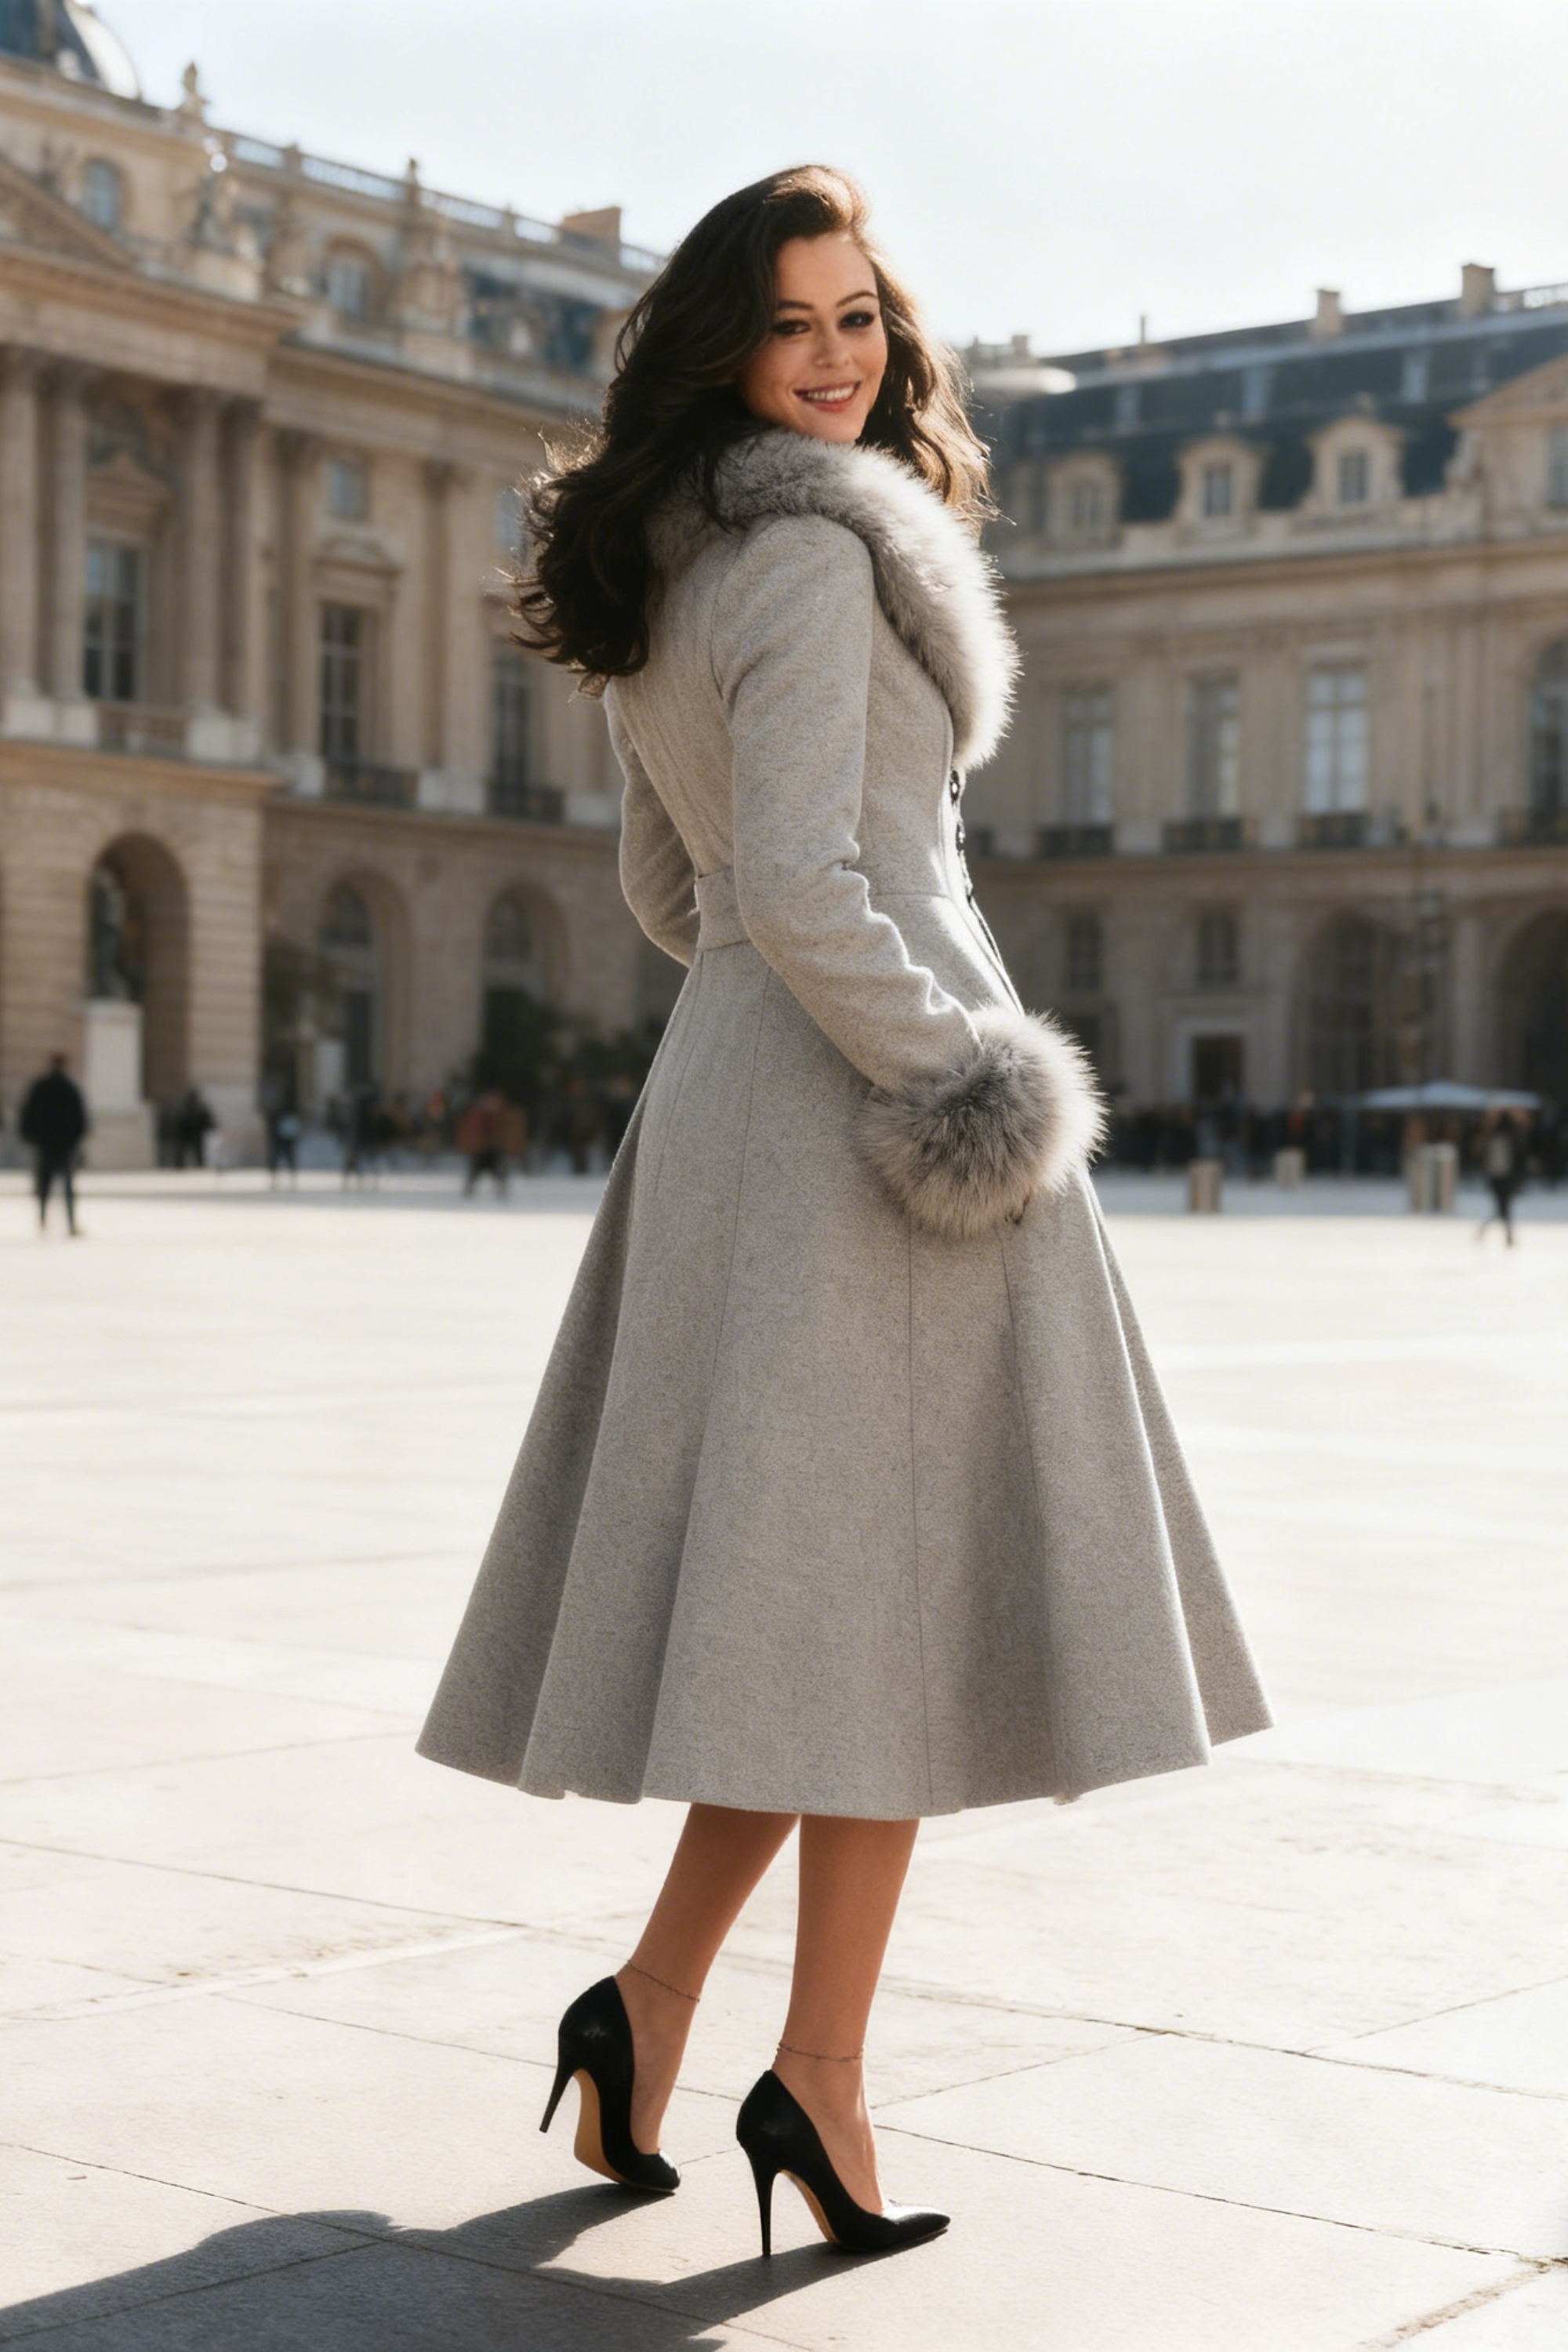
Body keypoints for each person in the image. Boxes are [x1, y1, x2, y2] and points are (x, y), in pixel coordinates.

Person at [416, 166, 1272, 2258]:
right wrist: (958, 1069)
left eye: (857, 315)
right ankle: (818, 2081)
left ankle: (648, 2008)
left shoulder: (671, 563)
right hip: (874, 1112)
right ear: (724, 345)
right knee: (884, 1622)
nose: (833, 355)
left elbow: (676, 892)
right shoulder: (811, 560)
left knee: (806, 1621)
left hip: (741, 1086)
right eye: (790, 321)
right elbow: (805, 886)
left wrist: (764, 998)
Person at [19, 1051, 88, 1236]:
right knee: (67, 1186)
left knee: (44, 1183)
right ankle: (70, 1223)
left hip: (45, 1142)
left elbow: (28, 1113)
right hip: (64, 1144)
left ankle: (43, 1220)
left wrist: (30, 1136)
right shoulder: (69, 1088)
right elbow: (80, 1118)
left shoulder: (41, 1087)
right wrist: (75, 1139)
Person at [1478, 1109, 1523, 1245]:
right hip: (1507, 1177)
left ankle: (1502, 1234)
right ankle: (1506, 1235)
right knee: (1503, 1208)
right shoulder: (1514, 1138)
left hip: (1495, 1177)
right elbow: (1519, 1159)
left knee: (1501, 1208)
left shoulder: (1492, 1137)